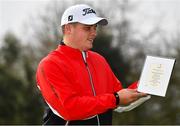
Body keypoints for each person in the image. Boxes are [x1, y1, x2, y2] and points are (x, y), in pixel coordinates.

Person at [36, 4, 147, 125]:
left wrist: (145, 86)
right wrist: (115, 99)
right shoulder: (50, 64)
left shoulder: (99, 60)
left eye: (95, 28)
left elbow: (119, 100)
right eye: (87, 28)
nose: (94, 33)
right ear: (68, 29)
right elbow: (69, 109)